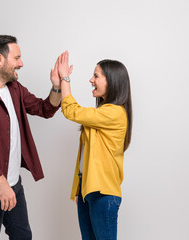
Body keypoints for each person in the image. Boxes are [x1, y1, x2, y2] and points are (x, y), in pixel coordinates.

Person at [0, 35, 62, 240]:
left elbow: (45, 108)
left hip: (13, 185)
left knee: (23, 237)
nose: (21, 63)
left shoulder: (15, 89)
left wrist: (57, 86)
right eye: (16, 58)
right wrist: (2, 185)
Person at [55, 51, 133, 240]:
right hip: (88, 190)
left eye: (96, 76)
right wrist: (80, 189)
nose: (91, 80)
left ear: (112, 81)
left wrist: (65, 79)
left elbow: (72, 111)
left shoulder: (115, 113)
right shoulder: (103, 113)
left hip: (103, 193)